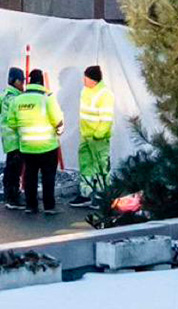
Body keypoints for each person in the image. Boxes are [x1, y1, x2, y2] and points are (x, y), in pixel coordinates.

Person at [6, 69, 64, 215]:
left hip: (26, 147)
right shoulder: (47, 98)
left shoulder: (17, 100)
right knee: (48, 176)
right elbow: (57, 120)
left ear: (29, 81)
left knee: (30, 176)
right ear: (42, 82)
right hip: (47, 146)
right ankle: (49, 207)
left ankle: (31, 206)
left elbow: (11, 123)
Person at [70, 65, 114, 208]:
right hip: (86, 136)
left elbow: (106, 119)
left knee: (101, 167)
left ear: (93, 79)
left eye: (86, 77)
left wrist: (98, 135)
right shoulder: (86, 91)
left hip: (98, 138)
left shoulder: (104, 94)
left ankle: (102, 197)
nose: (83, 80)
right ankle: (85, 194)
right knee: (86, 166)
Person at [0, 67, 25, 210]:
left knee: (10, 167)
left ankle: (9, 195)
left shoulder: (3, 95)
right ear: (15, 81)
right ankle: (13, 198)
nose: (23, 85)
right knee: (15, 169)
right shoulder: (16, 99)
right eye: (21, 82)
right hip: (16, 139)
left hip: (7, 139)